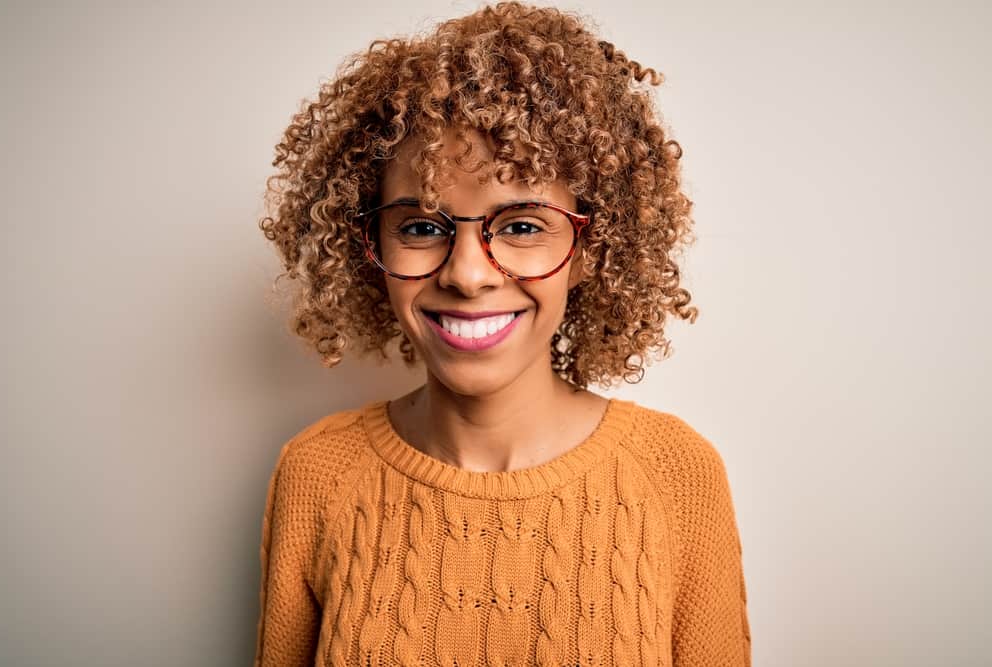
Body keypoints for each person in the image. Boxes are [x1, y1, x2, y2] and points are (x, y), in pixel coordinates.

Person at [253, 2, 751, 665]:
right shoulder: (316, 474)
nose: (466, 274)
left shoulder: (677, 475)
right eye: (422, 226)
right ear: (368, 245)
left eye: (520, 225)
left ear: (591, 249)